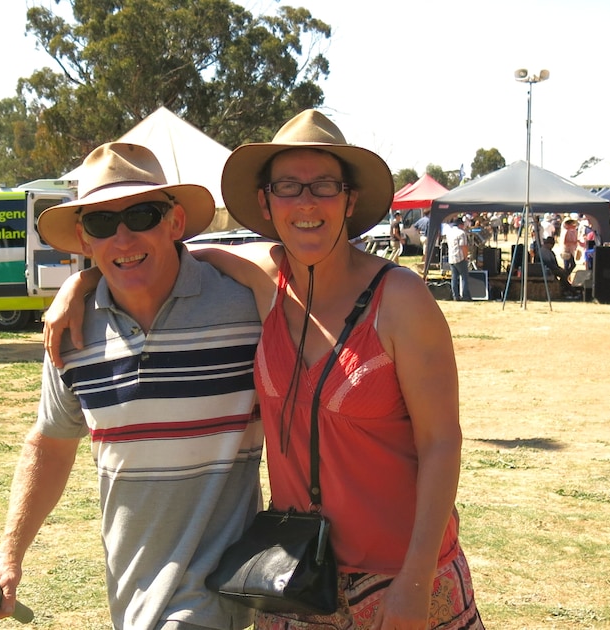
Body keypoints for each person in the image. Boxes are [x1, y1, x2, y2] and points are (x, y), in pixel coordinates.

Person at [46, 109, 482, 630]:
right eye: (287, 187)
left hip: (400, 577)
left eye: (323, 186)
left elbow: (441, 443)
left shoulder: (401, 299)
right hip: (293, 577)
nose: (305, 202)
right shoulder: (261, 281)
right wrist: (84, 283)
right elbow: (160, 254)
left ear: (349, 199)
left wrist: (414, 581)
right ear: (265, 202)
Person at [0, 142, 265, 630]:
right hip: (131, 594)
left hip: (214, 596)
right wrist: (8, 556)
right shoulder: (71, 334)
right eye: (102, 224)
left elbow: (296, 260)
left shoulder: (243, 308)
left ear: (174, 223)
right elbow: (50, 444)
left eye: (141, 215)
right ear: (85, 241)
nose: (123, 237)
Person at [447, 215, 472, 301]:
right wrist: (466, 257)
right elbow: (463, 246)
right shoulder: (462, 233)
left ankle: (455, 296)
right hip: (460, 257)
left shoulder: (449, 232)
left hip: (451, 257)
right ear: (460, 225)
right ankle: (465, 296)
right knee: (464, 277)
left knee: (454, 278)